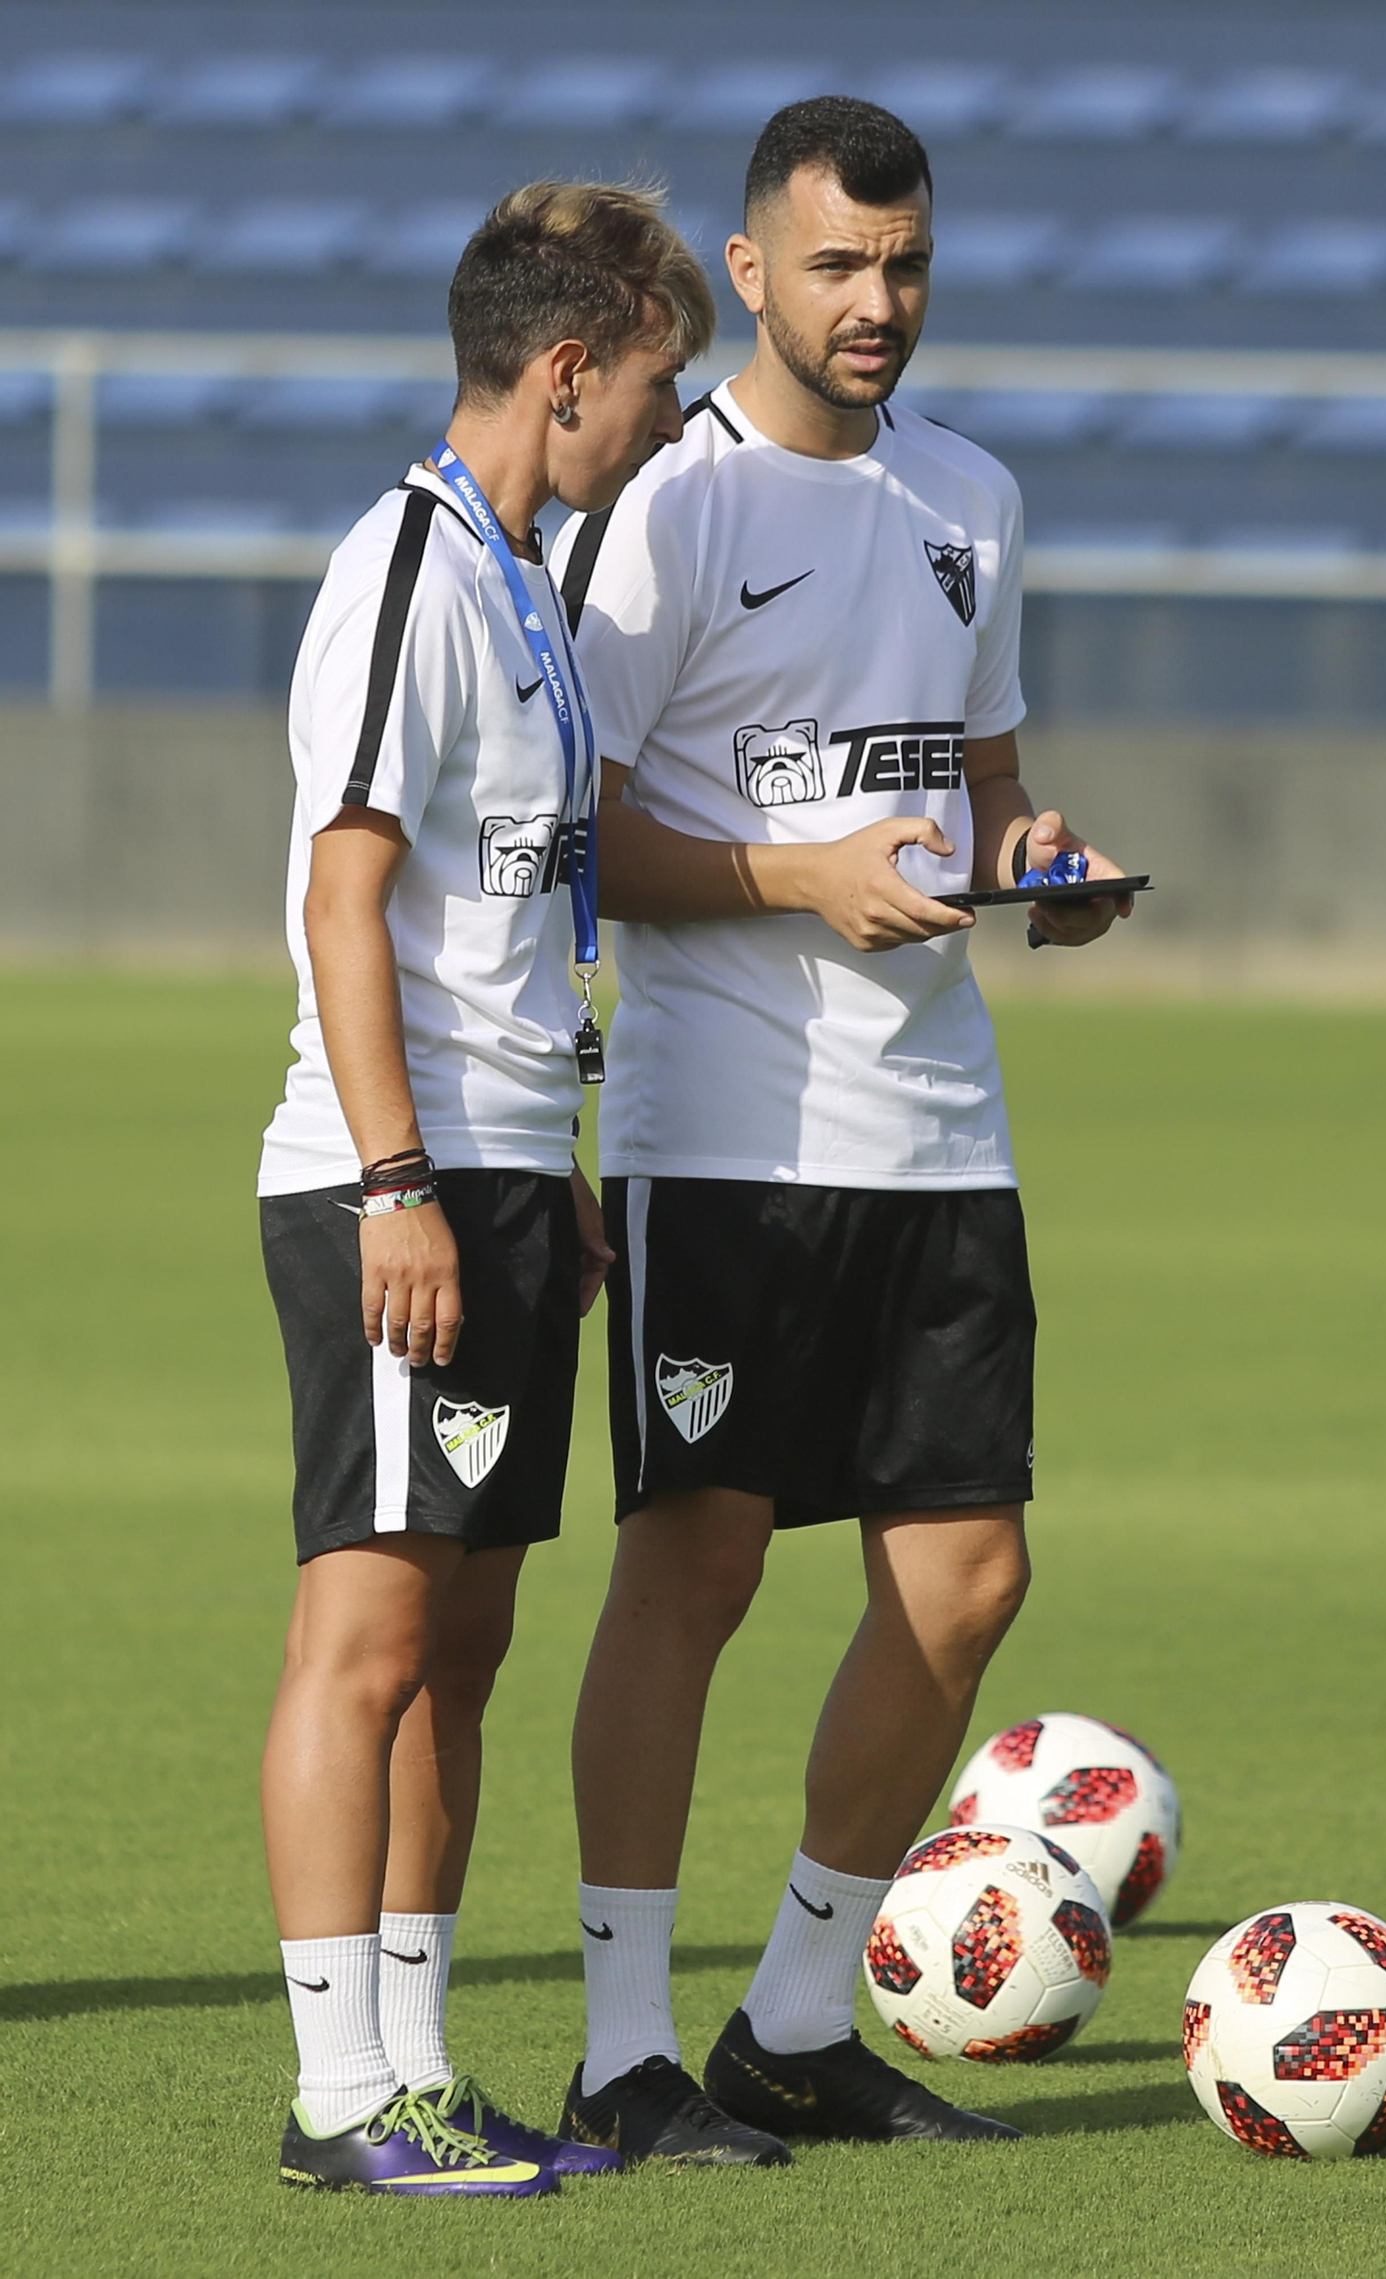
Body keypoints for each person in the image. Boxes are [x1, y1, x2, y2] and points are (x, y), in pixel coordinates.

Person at [549, 98, 1133, 2166]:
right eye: (835, 268)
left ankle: (796, 2022)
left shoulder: (968, 493)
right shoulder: (665, 508)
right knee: (691, 1569)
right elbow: (583, 838)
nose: (874, 303)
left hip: (938, 1127)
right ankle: (621, 2045)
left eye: (901, 266)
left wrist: (1030, 860)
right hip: (723, 1128)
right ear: (752, 266)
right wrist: (800, 877)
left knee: (964, 1579)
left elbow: (979, 790)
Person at [256, 181, 715, 2196]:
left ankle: (419, 2064)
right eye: (650, 384)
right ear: (562, 373)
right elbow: (342, 898)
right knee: (362, 1639)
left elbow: (515, 928)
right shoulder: (405, 570)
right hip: (401, 1182)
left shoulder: (526, 581)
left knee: (464, 1645)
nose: (661, 422)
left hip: (515, 1180)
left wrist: (559, 1171)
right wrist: (399, 1187)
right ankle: (338, 2092)